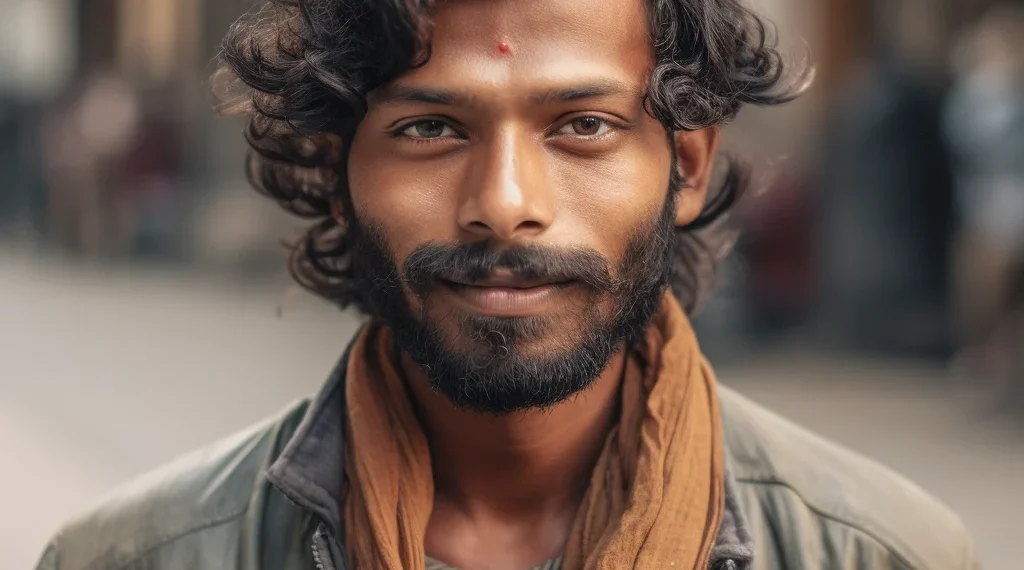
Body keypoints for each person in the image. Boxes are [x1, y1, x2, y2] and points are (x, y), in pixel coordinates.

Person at [36, 0, 979, 569]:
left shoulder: (878, 551)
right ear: (335, 169)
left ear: (686, 166)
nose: (504, 205)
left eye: (583, 126)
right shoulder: (138, 556)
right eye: (429, 130)